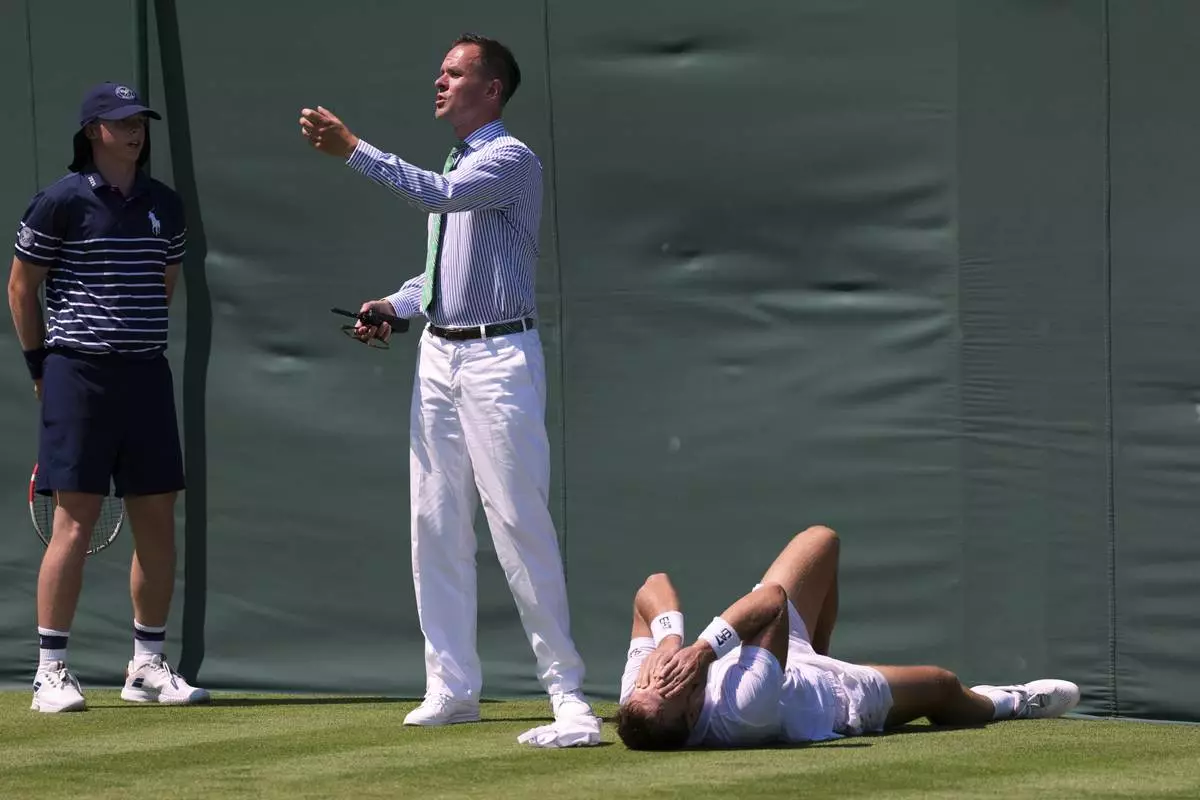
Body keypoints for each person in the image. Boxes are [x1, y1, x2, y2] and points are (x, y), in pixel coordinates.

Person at [297, 34, 593, 726]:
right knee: (435, 524)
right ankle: (453, 688)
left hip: (499, 360)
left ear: (491, 90)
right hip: (438, 358)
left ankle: (567, 693)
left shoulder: (510, 159)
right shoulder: (458, 161)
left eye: (455, 73)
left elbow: (439, 195)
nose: (440, 81)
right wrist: (394, 305)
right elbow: (440, 275)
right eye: (440, 72)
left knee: (517, 523)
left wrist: (354, 149)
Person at [8, 81, 209, 712]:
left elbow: (163, 284)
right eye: (121, 122)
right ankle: (49, 673)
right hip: (78, 375)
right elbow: (21, 288)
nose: (135, 131)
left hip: (146, 377)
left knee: (158, 521)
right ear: (94, 131)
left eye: (139, 121)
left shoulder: (165, 205)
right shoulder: (59, 202)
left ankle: (146, 666)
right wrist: (41, 367)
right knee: (74, 519)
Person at [616, 525, 1080, 749]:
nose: (663, 677)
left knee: (821, 541)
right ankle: (1011, 702)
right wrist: (702, 650)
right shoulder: (740, 713)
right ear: (693, 713)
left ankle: (819, 651)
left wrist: (669, 643)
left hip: (772, 651)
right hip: (830, 695)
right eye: (672, 687)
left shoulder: (642, 690)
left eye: (651, 682)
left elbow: (650, 589)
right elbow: (772, 600)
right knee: (941, 686)